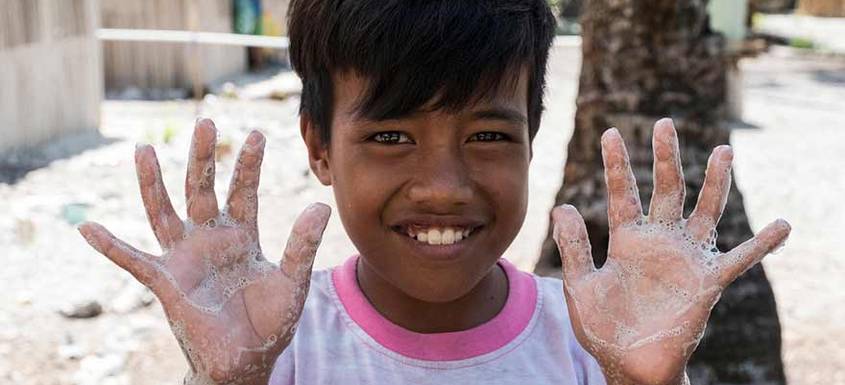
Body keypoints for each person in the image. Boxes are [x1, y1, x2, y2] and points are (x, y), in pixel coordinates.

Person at [77, 1, 792, 384]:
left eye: (487, 136)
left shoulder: (590, 342)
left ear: (532, 138)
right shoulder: (275, 342)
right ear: (320, 146)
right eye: (391, 137)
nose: (444, 188)